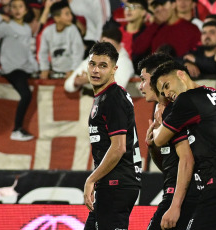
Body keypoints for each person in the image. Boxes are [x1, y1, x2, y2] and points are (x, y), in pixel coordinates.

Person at [148, 61, 216, 229]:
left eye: (167, 85)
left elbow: (159, 139)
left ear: (181, 74)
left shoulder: (187, 100)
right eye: (163, 92)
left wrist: (159, 124)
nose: (167, 93)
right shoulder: (213, 93)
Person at [83, 42, 142, 230]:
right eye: (93, 64)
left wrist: (91, 179)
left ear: (114, 69)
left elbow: (118, 147)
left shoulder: (113, 97)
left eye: (103, 66)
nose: (96, 70)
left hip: (117, 182)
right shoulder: (103, 97)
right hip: (111, 182)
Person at [138, 53, 198, 229]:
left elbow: (187, 158)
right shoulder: (161, 111)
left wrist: (175, 206)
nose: (140, 86)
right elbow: (169, 165)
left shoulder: (175, 111)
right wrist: (152, 146)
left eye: (143, 79)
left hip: (185, 197)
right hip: (172, 192)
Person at [0, 0, 38, 141]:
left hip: (25, 68)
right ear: (9, 9)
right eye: (14, 7)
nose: (17, 10)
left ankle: (19, 129)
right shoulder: (6, 26)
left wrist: (35, 67)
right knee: (26, 95)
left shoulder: (27, 28)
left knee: (30, 94)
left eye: (20, 6)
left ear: (26, 10)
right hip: (12, 69)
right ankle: (16, 130)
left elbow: (28, 51)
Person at [64, 27, 134, 92]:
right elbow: (68, 85)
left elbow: (117, 88)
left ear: (119, 46)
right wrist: (76, 82)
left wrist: (90, 80)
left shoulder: (125, 62)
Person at [132, 0, 200, 60]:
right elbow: (137, 49)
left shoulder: (191, 29)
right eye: (156, 6)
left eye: (163, 4)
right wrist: (155, 24)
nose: (159, 9)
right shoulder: (154, 28)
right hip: (156, 70)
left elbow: (197, 55)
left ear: (173, 4)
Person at [38, 1, 84, 79]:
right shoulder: (47, 31)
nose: (71, 17)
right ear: (57, 18)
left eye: (70, 13)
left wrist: (73, 70)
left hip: (71, 70)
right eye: (67, 14)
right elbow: (43, 53)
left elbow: (78, 52)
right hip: (55, 71)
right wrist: (44, 69)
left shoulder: (73, 30)